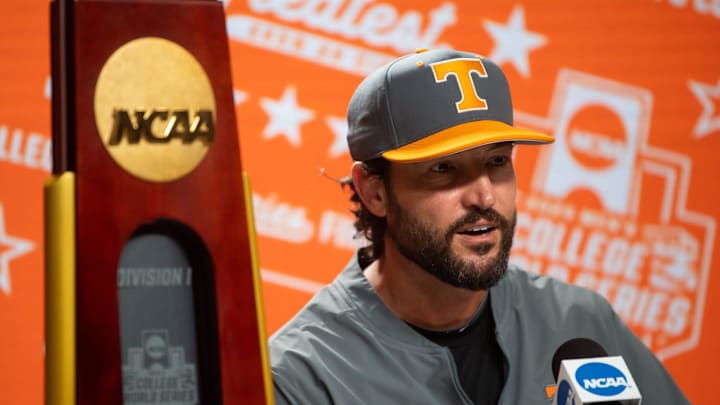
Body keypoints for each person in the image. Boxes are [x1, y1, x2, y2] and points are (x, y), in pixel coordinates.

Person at [269, 48, 689, 404]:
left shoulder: (579, 321)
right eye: (444, 169)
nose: (484, 197)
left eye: (496, 162)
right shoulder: (302, 375)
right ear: (374, 192)